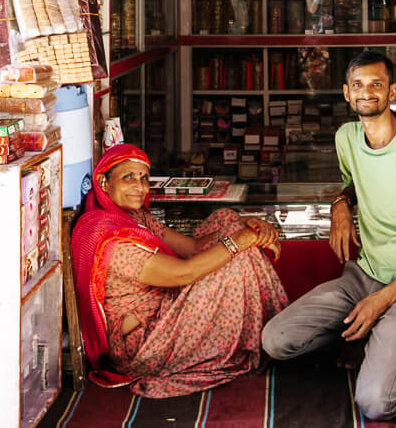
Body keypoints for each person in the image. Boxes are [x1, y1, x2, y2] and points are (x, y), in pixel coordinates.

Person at [262, 49, 396, 421]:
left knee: (375, 404)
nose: (367, 92)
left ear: (393, 92)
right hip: (363, 276)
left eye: (376, 85)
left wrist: (383, 300)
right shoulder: (347, 138)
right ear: (346, 93)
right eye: (358, 85)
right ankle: (370, 333)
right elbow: (352, 182)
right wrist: (340, 203)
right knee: (276, 340)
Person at [71, 143, 288, 397]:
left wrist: (246, 229)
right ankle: (275, 336)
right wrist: (242, 241)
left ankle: (276, 334)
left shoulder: (135, 217)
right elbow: (183, 272)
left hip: (162, 310)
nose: (139, 187)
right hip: (145, 344)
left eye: (143, 179)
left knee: (228, 222)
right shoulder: (113, 241)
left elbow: (192, 246)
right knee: (237, 257)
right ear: (103, 182)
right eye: (128, 177)